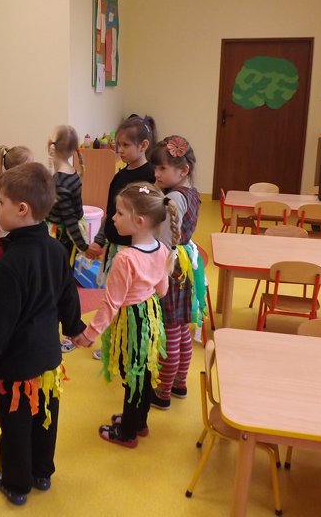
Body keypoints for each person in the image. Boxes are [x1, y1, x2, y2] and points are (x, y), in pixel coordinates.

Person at [0, 162, 85, 506]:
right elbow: (68, 295)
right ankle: (42, 472)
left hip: (16, 367)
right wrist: (75, 328)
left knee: (15, 427)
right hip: (48, 360)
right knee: (45, 418)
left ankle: (16, 483)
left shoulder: (11, 265)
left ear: (22, 209)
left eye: (1, 203)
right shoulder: (56, 250)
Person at [72, 182, 171, 448]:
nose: (112, 218)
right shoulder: (161, 248)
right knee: (143, 371)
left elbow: (111, 304)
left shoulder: (125, 259)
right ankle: (139, 421)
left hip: (132, 319)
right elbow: (162, 290)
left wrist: (89, 334)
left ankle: (127, 431)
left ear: (139, 221)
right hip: (150, 315)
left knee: (132, 375)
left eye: (119, 213)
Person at [149, 135, 207, 411]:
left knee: (170, 332)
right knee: (182, 329)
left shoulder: (172, 198)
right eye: (155, 168)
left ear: (183, 170)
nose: (156, 174)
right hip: (185, 265)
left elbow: (162, 244)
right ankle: (179, 383)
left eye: (162, 168)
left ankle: (163, 392)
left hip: (170, 268)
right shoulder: (192, 193)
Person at [86, 114, 157, 285]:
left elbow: (154, 219)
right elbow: (111, 213)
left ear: (143, 145)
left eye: (126, 145)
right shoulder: (119, 177)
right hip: (115, 249)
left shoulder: (152, 177)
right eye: (118, 145)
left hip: (137, 253)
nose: (120, 150)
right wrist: (99, 240)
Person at [46, 125, 88, 264]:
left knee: (58, 271)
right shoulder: (73, 172)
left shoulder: (59, 182)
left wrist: (83, 246)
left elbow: (69, 219)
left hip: (61, 238)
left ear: (51, 145)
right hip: (67, 237)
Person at [0, 145, 33, 243]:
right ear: (17, 169)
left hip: (27, 235)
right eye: (29, 166)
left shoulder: (29, 187)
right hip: (8, 236)